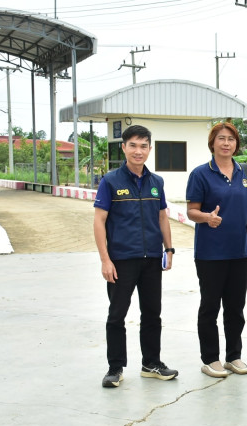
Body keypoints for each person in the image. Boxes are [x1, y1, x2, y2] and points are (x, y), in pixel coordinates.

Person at [94, 124, 178, 388]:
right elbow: (99, 221)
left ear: (150, 149)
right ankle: (115, 368)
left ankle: (151, 363)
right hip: (121, 260)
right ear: (124, 147)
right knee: (117, 315)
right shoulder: (110, 181)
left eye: (143, 146)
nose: (138, 151)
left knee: (152, 314)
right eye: (133, 145)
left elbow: (162, 217)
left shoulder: (156, 182)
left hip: (151, 258)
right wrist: (105, 260)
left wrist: (168, 249)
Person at [186, 122, 247, 378]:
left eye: (231, 139)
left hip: (241, 251)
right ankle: (210, 358)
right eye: (221, 139)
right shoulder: (200, 174)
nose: (226, 143)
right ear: (212, 143)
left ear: (236, 144)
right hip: (210, 253)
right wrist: (207, 218)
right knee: (210, 307)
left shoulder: (246, 172)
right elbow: (191, 211)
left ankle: (233, 356)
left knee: (236, 308)